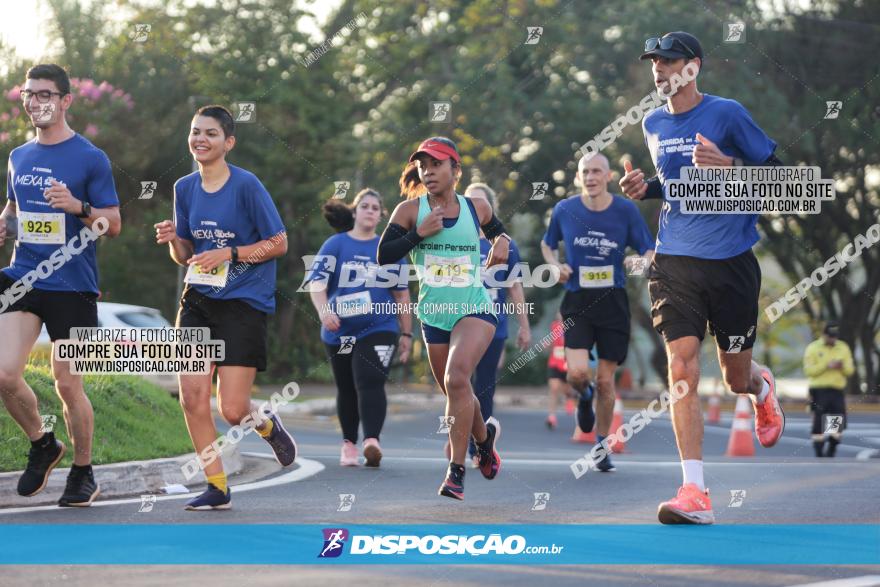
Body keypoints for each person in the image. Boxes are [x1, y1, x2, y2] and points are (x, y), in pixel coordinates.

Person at [619, 31, 785, 524]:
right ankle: (695, 491)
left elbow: (780, 179)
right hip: (674, 262)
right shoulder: (651, 123)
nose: (660, 70)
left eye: (669, 61)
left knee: (735, 376)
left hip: (732, 261)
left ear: (693, 66)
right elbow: (675, 184)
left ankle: (760, 387)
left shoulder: (727, 113)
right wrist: (643, 188)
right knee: (683, 366)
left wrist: (730, 164)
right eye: (655, 62)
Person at [154, 105, 295, 510]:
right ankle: (216, 486)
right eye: (195, 132)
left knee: (233, 410)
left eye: (210, 133)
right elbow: (185, 257)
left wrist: (229, 253)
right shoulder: (184, 188)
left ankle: (265, 422)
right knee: (192, 398)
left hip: (243, 302)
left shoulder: (247, 185)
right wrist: (173, 239)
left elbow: (278, 243)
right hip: (197, 300)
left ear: (228, 142)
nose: (200, 139)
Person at [0, 64, 121, 507]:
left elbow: (114, 225)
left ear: (66, 100)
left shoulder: (90, 157)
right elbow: (13, 206)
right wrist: (4, 224)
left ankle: (83, 471)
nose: (35, 102)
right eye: (28, 94)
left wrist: (78, 205)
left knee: (68, 386)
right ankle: (43, 442)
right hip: (23, 277)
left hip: (73, 284)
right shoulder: (18, 156)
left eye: (44, 93)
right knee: (4, 374)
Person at [377, 136, 508, 500]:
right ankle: (484, 441)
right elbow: (384, 257)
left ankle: (456, 470)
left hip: (474, 308)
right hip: (434, 315)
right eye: (423, 166)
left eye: (436, 164)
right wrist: (419, 234)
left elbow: (501, 235)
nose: (428, 172)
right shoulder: (408, 211)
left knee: (456, 377)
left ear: (455, 169)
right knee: (457, 388)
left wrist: (503, 241)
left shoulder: (475, 208)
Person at [541, 152, 654, 472]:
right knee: (576, 375)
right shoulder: (565, 210)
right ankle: (583, 395)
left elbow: (648, 248)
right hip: (577, 301)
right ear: (579, 177)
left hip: (613, 303)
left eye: (597, 171)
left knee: (606, 382)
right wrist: (555, 265)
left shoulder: (625, 210)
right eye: (585, 172)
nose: (590, 177)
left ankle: (602, 444)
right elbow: (547, 244)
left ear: (607, 176)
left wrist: (642, 263)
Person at [305, 189, 412, 467]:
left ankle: (372, 442)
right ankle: (349, 444)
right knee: (347, 387)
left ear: (380, 216)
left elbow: (402, 295)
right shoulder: (335, 245)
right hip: (339, 329)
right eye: (364, 206)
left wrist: (407, 333)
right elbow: (317, 284)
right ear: (354, 212)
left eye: (375, 208)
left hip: (380, 326)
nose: (369, 210)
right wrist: (324, 311)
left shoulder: (389, 249)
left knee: (369, 380)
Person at [464, 182, 531, 465]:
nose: (475, 207)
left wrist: (524, 326)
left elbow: (514, 288)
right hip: (460, 324)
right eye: (469, 202)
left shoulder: (504, 244)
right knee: (460, 383)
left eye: (480, 202)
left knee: (485, 385)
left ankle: (478, 445)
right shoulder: (454, 241)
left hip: (493, 325)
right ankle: (465, 437)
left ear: (490, 208)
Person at [803, 321, 853, 457]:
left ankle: (831, 448)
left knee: (836, 421)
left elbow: (850, 370)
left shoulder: (843, 348)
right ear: (824, 335)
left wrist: (841, 366)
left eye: (835, 336)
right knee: (818, 421)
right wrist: (826, 365)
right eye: (830, 336)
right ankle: (819, 450)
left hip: (836, 390)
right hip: (818, 391)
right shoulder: (813, 348)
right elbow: (809, 371)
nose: (833, 339)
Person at [545, 313, 574, 430]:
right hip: (554, 362)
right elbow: (551, 342)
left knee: (566, 388)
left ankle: (569, 396)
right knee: (554, 387)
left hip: (568, 363)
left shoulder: (574, 327)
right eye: (559, 313)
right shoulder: (555, 326)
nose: (560, 315)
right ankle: (551, 416)